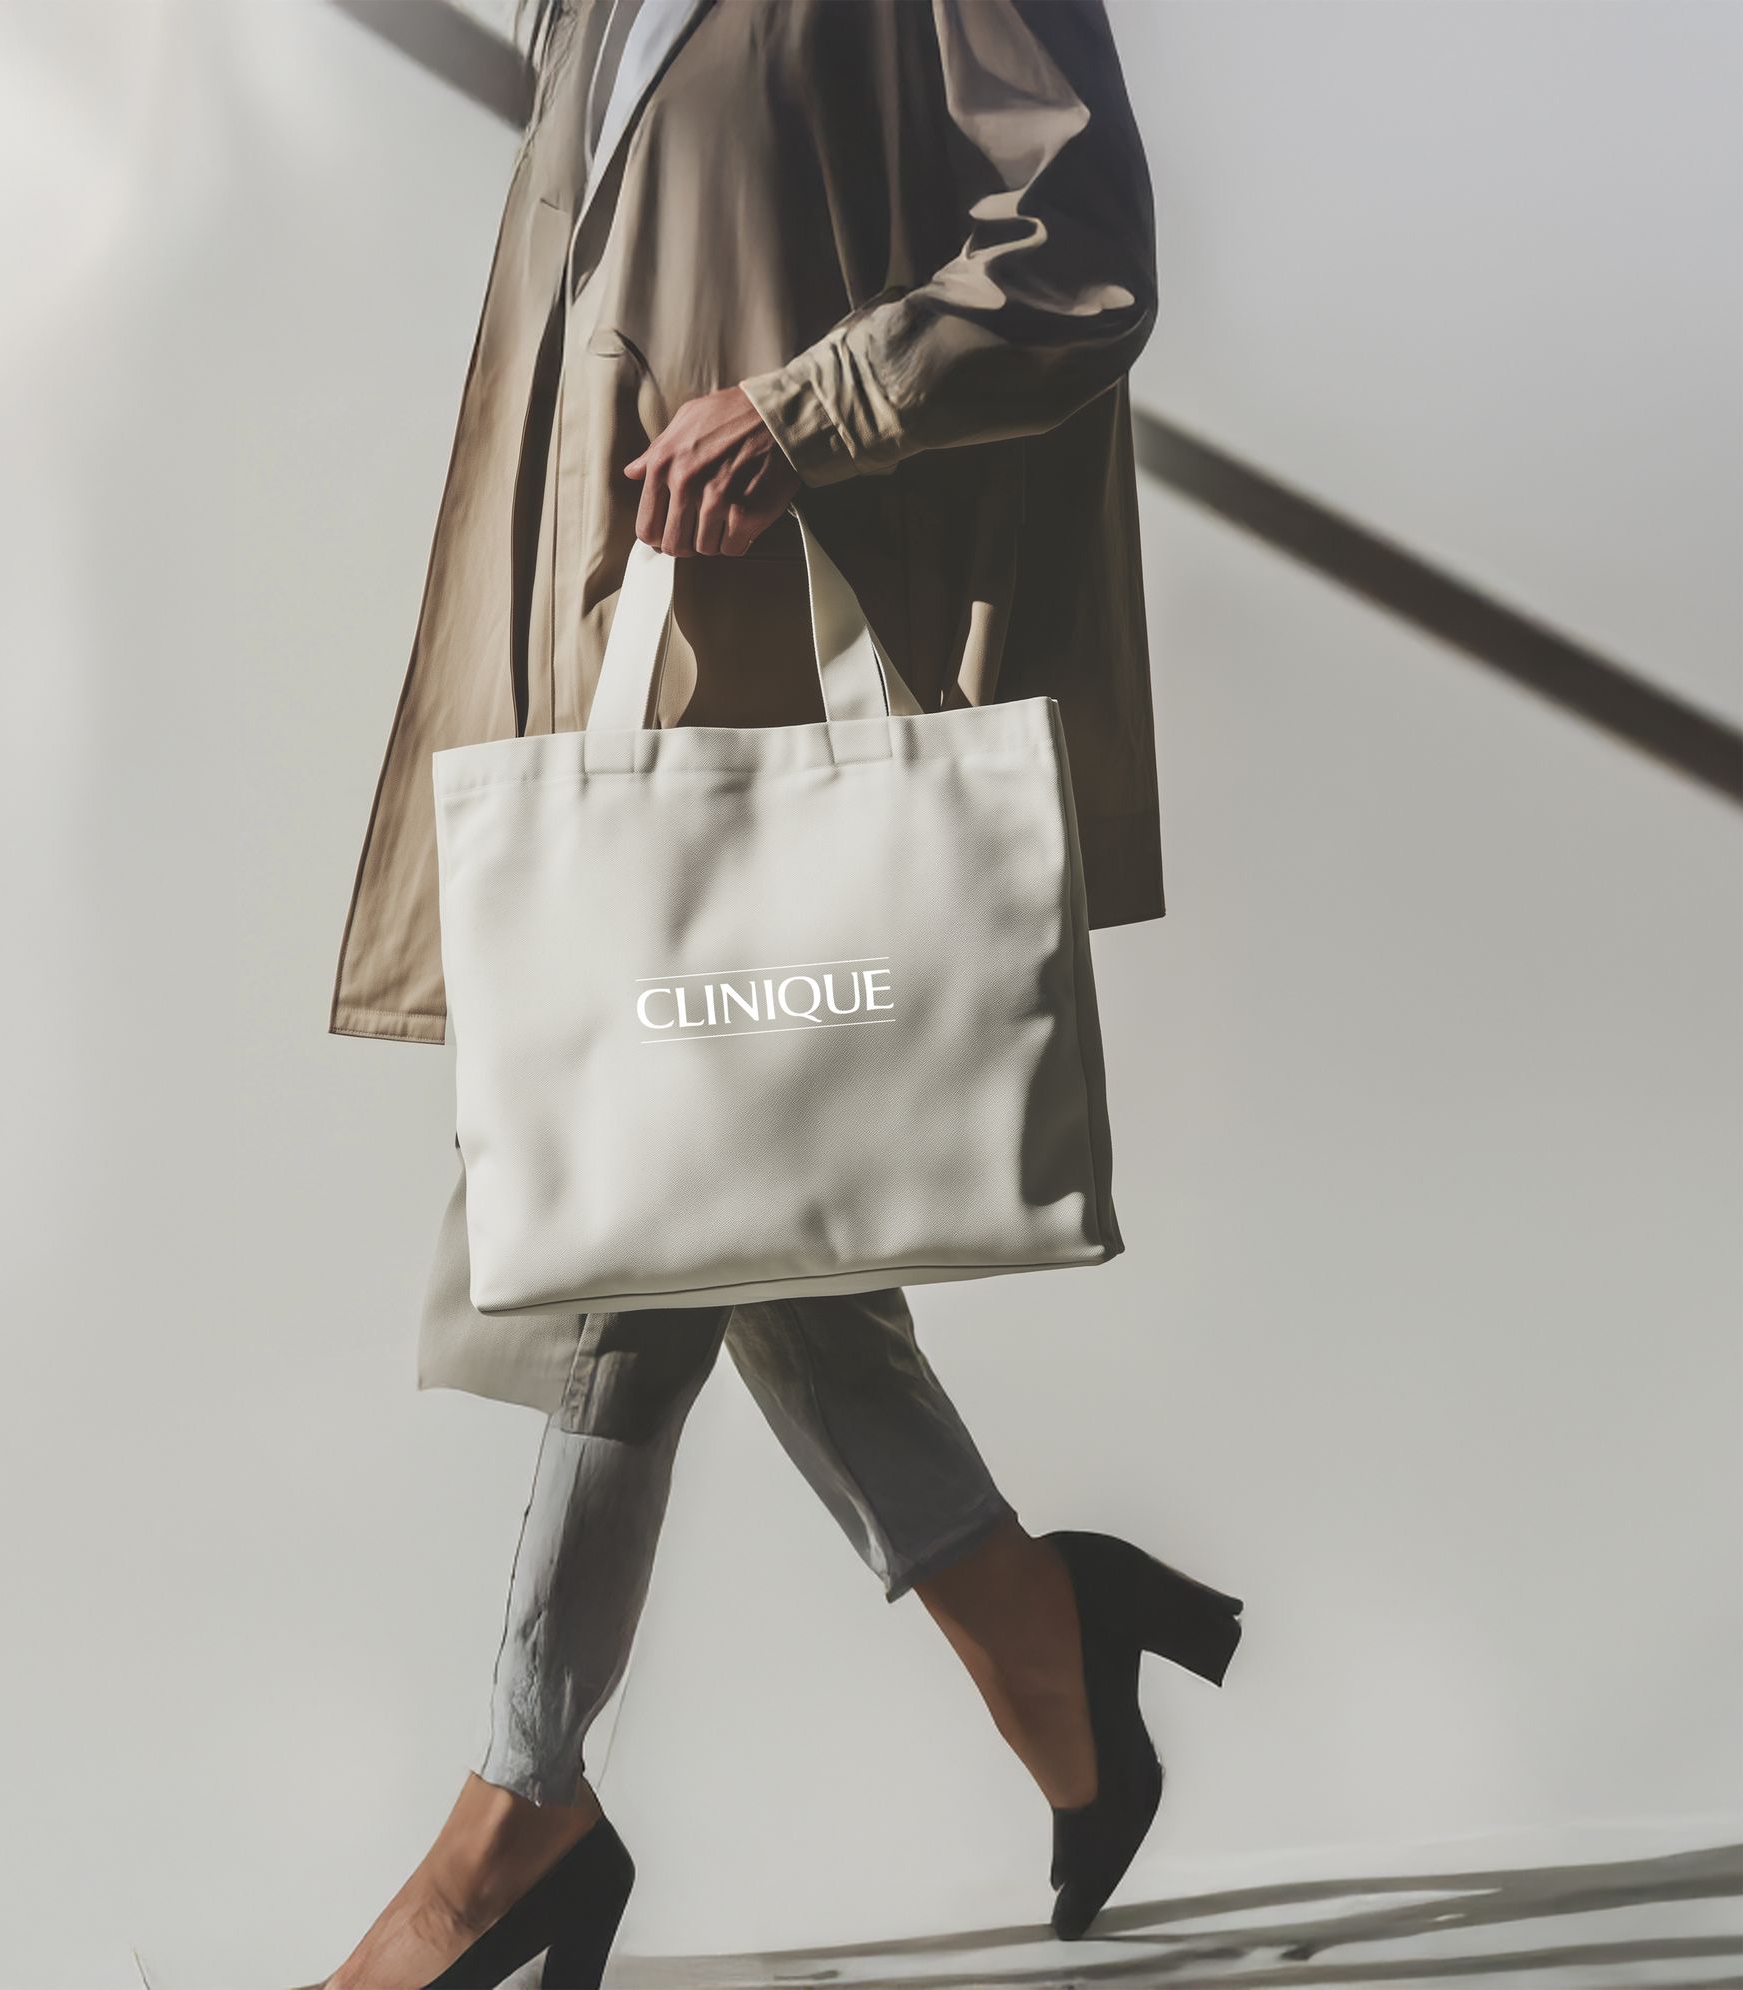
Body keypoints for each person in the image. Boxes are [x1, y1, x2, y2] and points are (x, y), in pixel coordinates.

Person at [314, 3, 1244, 1985]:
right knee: (716, 1206)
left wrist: (807, 410)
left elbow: (1078, 248)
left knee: (648, 1219)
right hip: (608, 653)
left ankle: (517, 1807)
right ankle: (1033, 1630)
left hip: (794, 644)